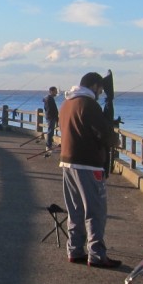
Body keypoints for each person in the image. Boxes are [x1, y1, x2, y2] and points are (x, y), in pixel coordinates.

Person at [59, 72, 120, 268]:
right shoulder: (88, 104)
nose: (101, 93)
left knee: (75, 209)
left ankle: (75, 250)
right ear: (94, 86)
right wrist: (113, 136)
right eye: (101, 89)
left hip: (68, 162)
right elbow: (105, 135)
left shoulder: (67, 103)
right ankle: (96, 254)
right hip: (88, 164)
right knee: (95, 211)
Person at [43, 86, 59, 151]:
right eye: (55, 91)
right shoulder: (49, 99)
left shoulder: (48, 98)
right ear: (51, 91)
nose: (56, 93)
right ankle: (48, 146)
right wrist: (55, 117)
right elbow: (50, 109)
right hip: (51, 117)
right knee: (50, 132)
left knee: (50, 131)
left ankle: (49, 145)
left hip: (50, 117)